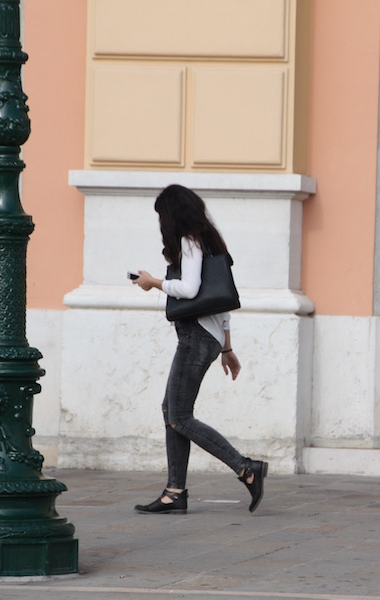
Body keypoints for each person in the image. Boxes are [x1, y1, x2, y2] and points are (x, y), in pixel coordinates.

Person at [132, 184, 267, 514]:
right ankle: (174, 491)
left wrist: (153, 283)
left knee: (179, 416)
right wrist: (226, 347)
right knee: (172, 411)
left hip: (195, 337)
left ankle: (246, 468)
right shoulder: (208, 240)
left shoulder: (190, 239)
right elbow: (221, 300)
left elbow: (190, 290)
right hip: (208, 338)